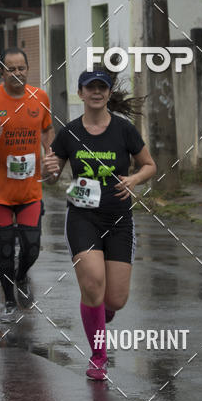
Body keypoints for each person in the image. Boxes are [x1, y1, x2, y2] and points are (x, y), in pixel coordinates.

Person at [42, 70, 156, 380]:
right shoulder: (70, 132)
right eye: (90, 87)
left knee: (115, 299)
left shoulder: (124, 130)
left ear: (107, 93)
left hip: (119, 218)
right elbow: (52, 175)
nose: (96, 92)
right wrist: (48, 168)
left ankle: (99, 315)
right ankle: (98, 356)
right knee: (92, 283)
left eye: (101, 87)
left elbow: (149, 165)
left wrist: (134, 178)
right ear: (80, 93)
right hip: (82, 215)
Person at [0, 47, 54, 320]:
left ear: (28, 69)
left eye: (22, 68)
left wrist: (49, 153)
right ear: (2, 72)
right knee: (4, 247)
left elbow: (47, 127)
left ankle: (22, 275)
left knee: (31, 245)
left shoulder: (40, 97)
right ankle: (9, 301)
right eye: (11, 69)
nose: (17, 74)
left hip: (29, 188)